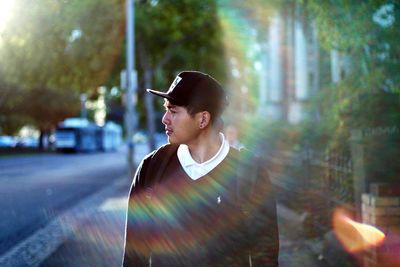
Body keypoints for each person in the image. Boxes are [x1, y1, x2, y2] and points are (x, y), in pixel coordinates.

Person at [122, 71, 279, 267]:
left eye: (173, 110)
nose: (164, 119)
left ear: (203, 119)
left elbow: (265, 259)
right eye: (166, 109)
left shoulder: (250, 175)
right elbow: (134, 257)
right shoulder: (151, 168)